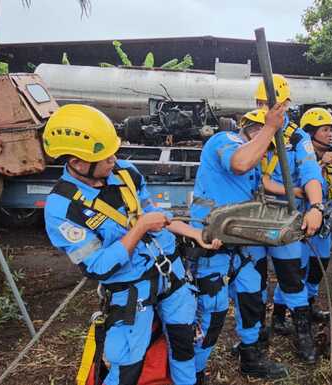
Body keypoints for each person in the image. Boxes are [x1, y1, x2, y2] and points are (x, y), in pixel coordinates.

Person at [42, 104, 220, 385]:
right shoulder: (62, 208)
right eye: (105, 157)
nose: (114, 159)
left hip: (172, 276)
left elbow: (157, 216)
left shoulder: (125, 173)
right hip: (131, 291)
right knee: (128, 366)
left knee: (184, 346)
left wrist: (195, 234)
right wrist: (138, 229)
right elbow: (97, 266)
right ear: (77, 163)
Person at [189, 105, 291, 382]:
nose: (264, 139)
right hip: (212, 244)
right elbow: (239, 163)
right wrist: (269, 127)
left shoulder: (257, 159)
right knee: (211, 312)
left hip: (241, 245)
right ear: (246, 128)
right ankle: (195, 372)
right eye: (258, 130)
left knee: (252, 299)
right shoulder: (225, 141)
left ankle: (251, 356)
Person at [252, 75, 324, 363]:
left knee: (292, 280)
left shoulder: (297, 139)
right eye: (258, 103)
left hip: (284, 219)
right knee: (252, 282)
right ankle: (253, 339)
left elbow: (311, 176)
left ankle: (303, 337)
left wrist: (316, 206)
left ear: (284, 105)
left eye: (267, 103)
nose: (262, 108)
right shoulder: (251, 132)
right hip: (253, 219)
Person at [272, 108, 332, 324]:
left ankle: (310, 304)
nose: (330, 134)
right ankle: (279, 314)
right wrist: (321, 163)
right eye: (324, 129)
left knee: (320, 265)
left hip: (322, 225)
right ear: (310, 131)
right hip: (301, 221)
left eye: (331, 130)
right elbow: (302, 182)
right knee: (296, 269)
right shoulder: (296, 155)